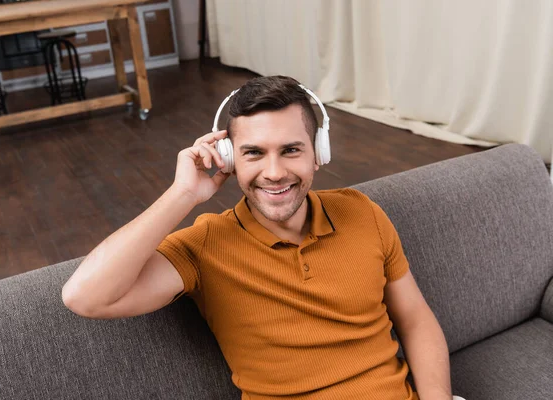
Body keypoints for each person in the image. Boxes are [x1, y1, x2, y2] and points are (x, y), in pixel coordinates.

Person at [62, 76, 455, 400]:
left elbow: (416, 320)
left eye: (290, 150)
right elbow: (84, 296)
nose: (274, 172)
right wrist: (184, 194)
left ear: (319, 152)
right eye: (253, 153)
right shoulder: (203, 247)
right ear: (230, 160)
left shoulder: (362, 212)